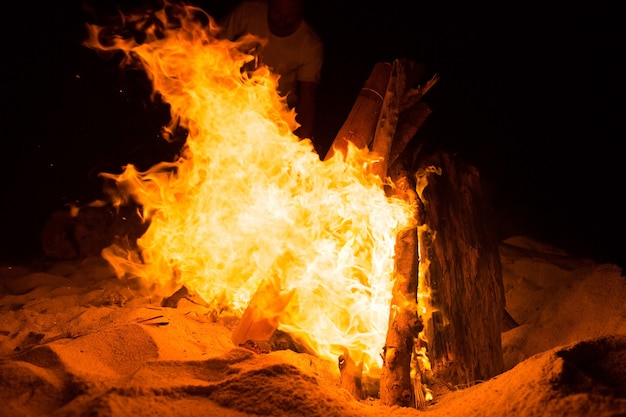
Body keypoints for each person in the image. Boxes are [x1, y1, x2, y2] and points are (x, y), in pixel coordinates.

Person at [219, 0, 324, 139]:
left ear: (300, 12)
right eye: (276, 14)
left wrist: (302, 139)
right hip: (232, 100)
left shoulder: (310, 45)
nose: (281, 22)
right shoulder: (248, 12)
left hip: (275, 116)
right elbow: (211, 45)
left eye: (289, 17)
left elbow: (306, 103)